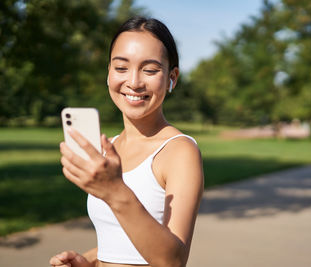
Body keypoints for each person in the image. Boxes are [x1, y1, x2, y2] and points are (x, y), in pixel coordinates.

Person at [49, 17, 204, 267]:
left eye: (150, 70)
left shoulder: (179, 150)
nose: (134, 82)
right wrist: (89, 261)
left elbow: (172, 261)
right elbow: (123, 242)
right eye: (121, 68)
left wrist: (114, 190)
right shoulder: (108, 146)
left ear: (172, 78)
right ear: (108, 73)